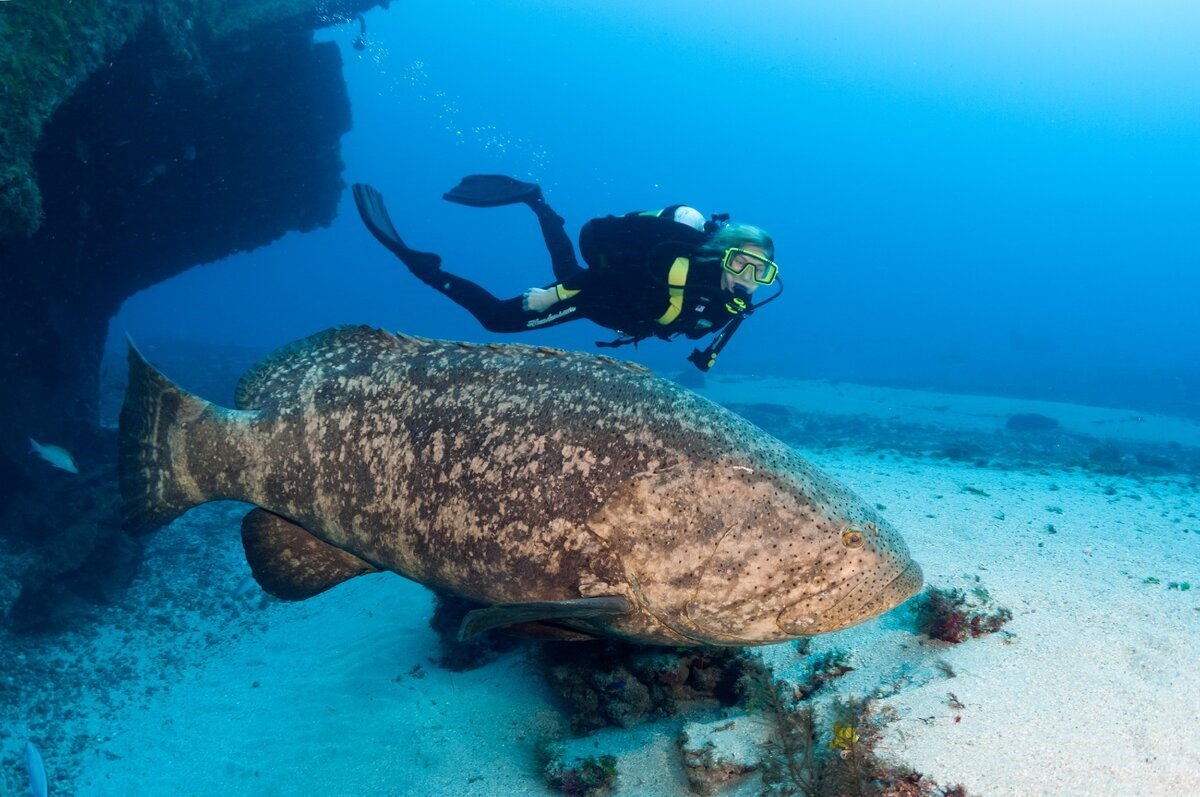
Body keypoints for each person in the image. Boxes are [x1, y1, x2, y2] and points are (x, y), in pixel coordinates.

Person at [352, 175, 782, 370]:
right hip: (599, 294)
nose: (746, 276)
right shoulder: (679, 262)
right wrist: (555, 296)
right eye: (740, 262)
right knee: (498, 319)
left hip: (621, 312)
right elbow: (610, 278)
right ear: (722, 254)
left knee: (564, 265)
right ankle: (421, 265)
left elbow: (698, 337)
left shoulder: (736, 304)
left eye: (760, 271)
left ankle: (538, 202)